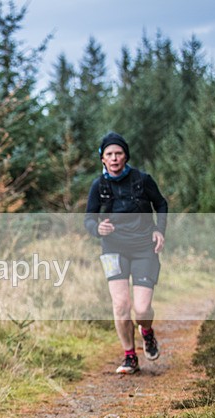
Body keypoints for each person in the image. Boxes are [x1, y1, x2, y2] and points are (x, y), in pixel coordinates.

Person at [85, 132, 168, 374]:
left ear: (126, 156)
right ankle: (130, 356)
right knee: (121, 305)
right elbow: (88, 218)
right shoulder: (99, 186)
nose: (114, 158)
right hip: (113, 249)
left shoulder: (142, 180)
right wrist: (97, 229)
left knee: (142, 310)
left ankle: (147, 331)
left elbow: (161, 204)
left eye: (118, 153)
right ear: (102, 159)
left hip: (144, 249)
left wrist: (159, 230)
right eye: (109, 154)